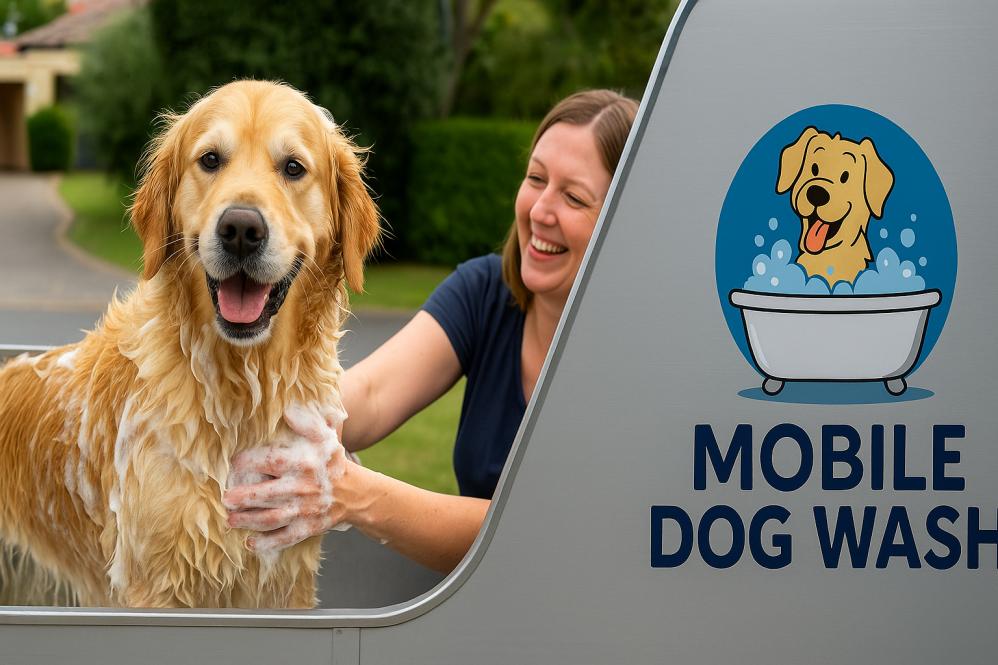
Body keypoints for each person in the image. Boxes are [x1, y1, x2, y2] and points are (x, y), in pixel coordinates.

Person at [223, 90, 639, 573]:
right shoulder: (487, 291)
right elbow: (371, 395)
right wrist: (235, 415)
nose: (540, 210)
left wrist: (351, 493)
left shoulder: (637, 355)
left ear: (623, 221)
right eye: (536, 178)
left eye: (573, 197)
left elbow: (547, 530)